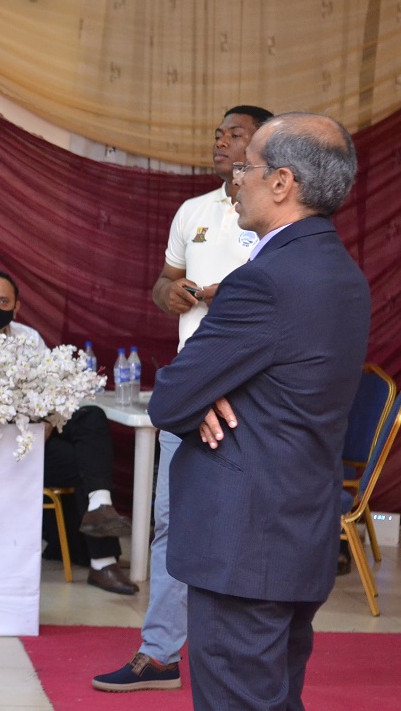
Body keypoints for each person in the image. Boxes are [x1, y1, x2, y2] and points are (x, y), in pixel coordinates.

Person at [147, 113, 369, 710]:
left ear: (281, 183)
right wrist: (209, 396)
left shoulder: (262, 280)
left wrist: (201, 398)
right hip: (297, 528)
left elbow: (168, 398)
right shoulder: (343, 273)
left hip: (241, 542)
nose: (236, 179)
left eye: (248, 166)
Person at [93, 104, 274, 692]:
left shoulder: (276, 210)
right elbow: (162, 282)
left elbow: (288, 293)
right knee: (172, 520)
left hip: (251, 392)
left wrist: (238, 292)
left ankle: (245, 655)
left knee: (244, 524)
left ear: (267, 146)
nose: (222, 143)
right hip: (194, 381)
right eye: (218, 134)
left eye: (237, 135)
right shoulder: (193, 210)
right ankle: (160, 652)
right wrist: (170, 294)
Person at [0, 270, 138, 595]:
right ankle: (102, 559)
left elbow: (55, 391)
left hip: (37, 438)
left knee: (90, 416)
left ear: (16, 306)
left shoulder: (28, 337)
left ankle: (100, 510)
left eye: (3, 301)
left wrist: (47, 422)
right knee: (84, 463)